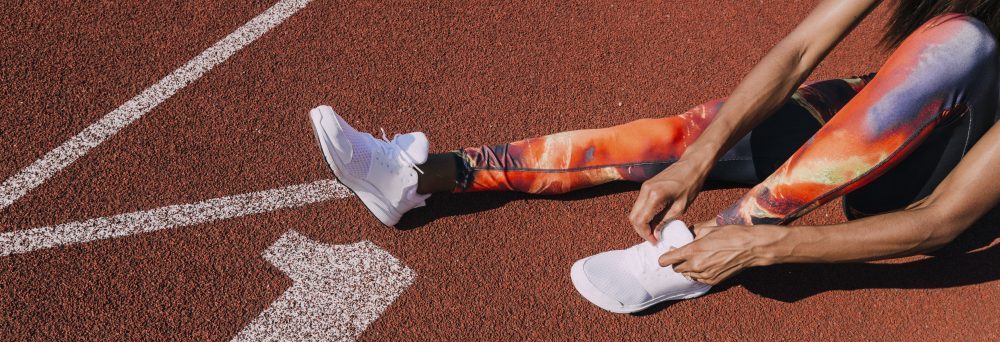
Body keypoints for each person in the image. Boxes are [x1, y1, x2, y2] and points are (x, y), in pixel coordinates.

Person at [308, 0, 1000, 313]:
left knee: (959, 45)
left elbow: (941, 221)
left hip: (937, 187)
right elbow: (795, 52)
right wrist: (695, 162)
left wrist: (762, 250)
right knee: (675, 138)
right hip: (904, 110)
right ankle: (419, 176)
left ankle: (710, 247)